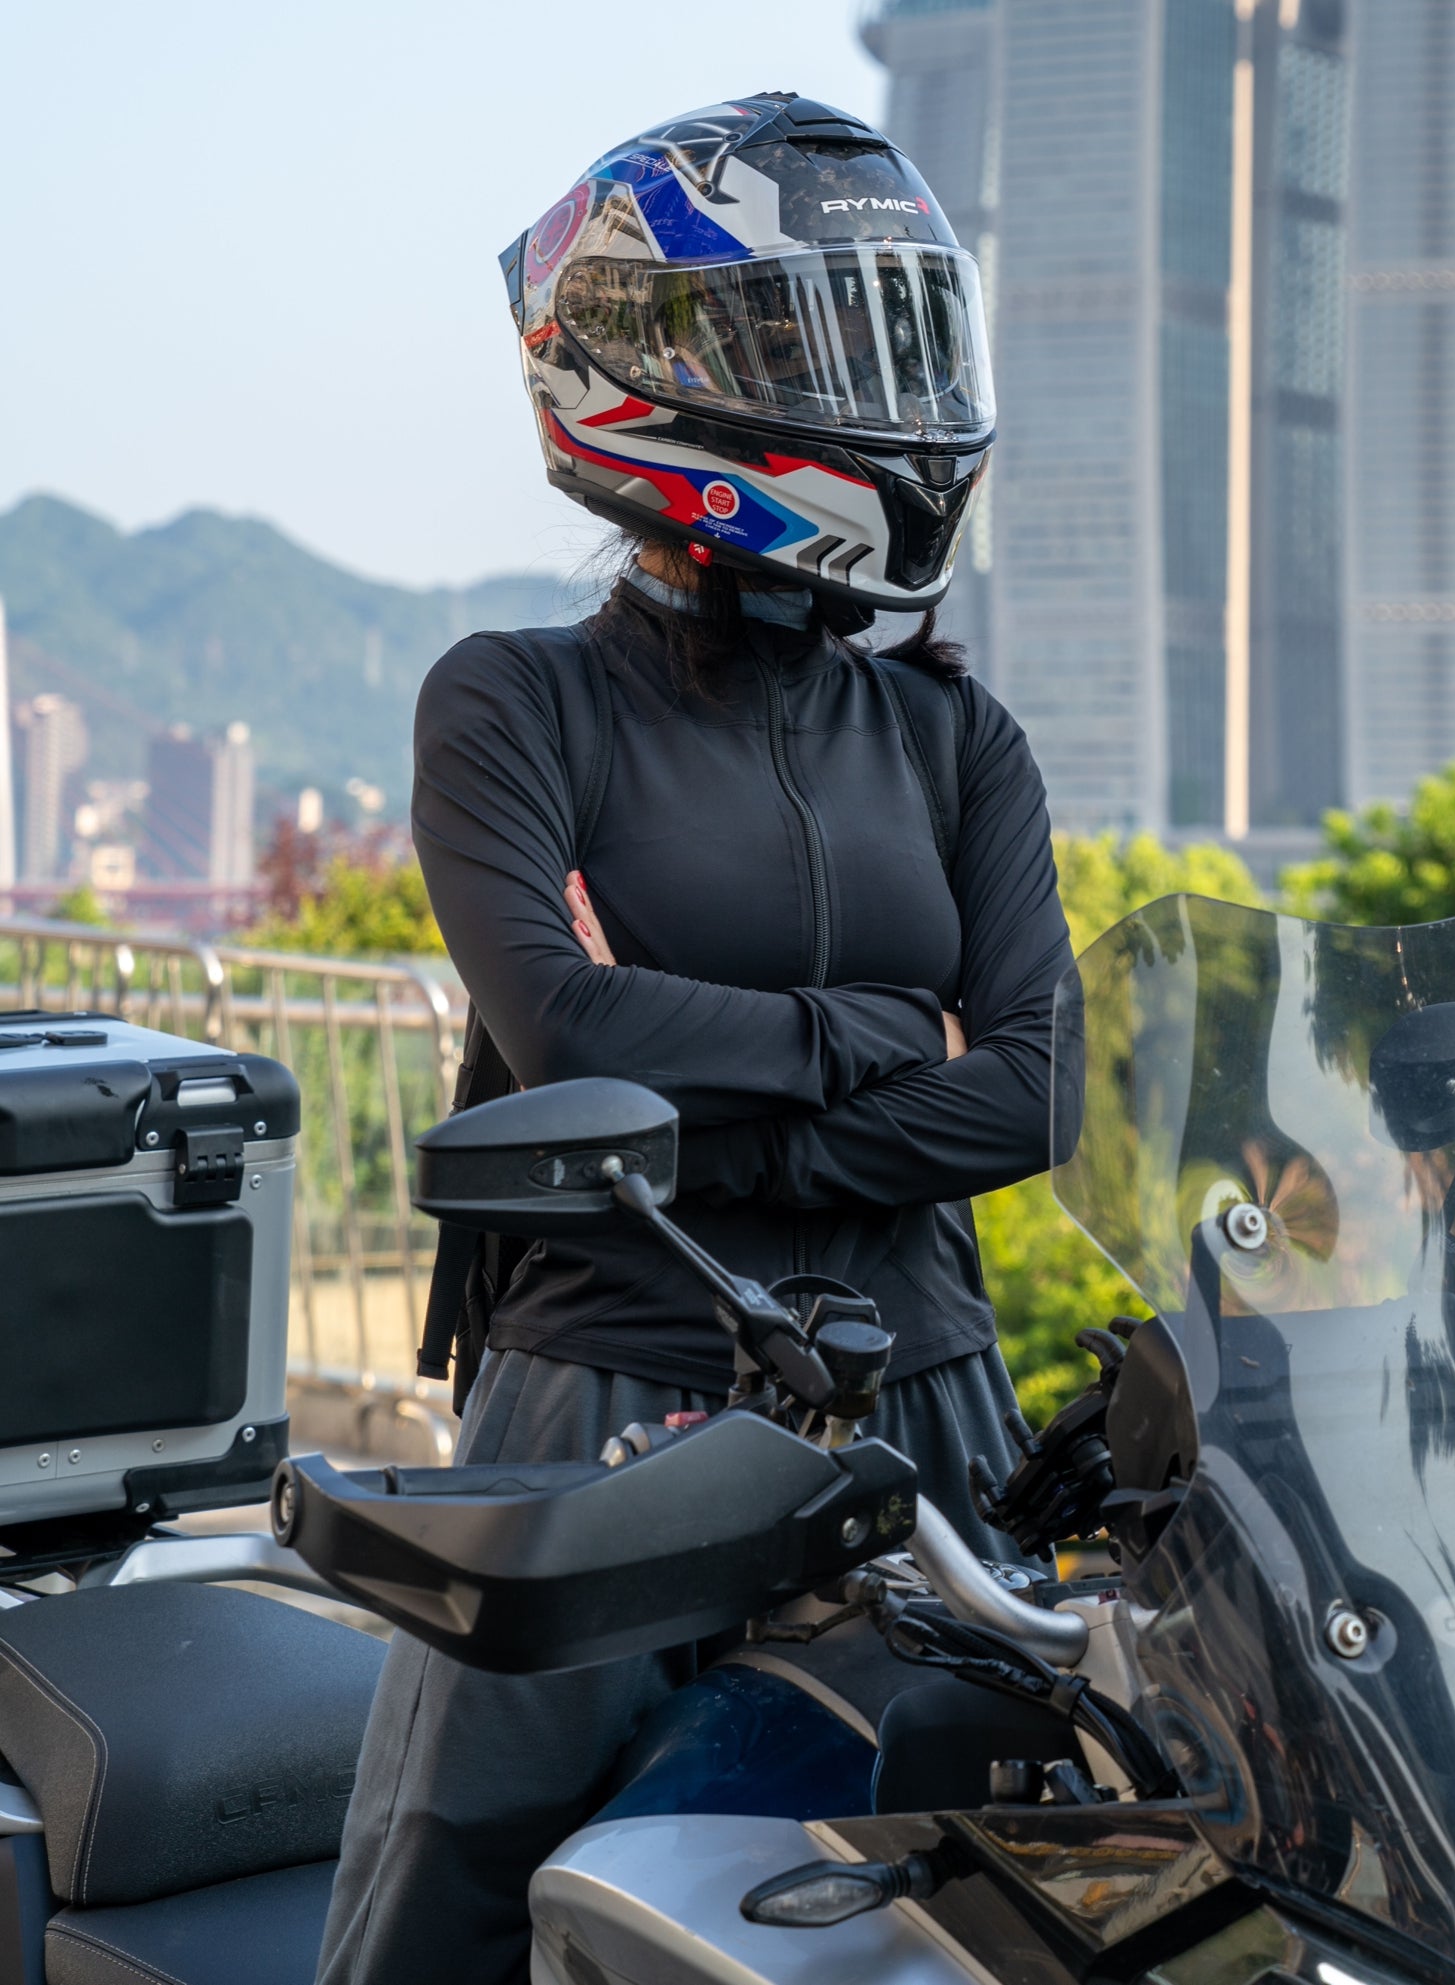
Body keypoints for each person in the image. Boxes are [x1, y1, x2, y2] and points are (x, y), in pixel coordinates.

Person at [316, 94, 1068, 1985]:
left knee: (991, 1885)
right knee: (460, 1885)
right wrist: (885, 1033)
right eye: (809, 347)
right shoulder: (515, 702)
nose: (874, 393)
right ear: (641, 369)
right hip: (617, 1399)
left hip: (926, 1401)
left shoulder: (953, 736)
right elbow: (561, 1021)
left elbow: (1044, 1081)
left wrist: (740, 1125)